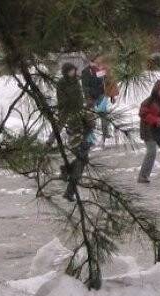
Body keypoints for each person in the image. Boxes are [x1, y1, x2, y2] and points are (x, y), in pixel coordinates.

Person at [55, 62, 95, 201]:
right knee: (81, 159)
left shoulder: (76, 82)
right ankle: (69, 191)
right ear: (66, 71)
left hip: (80, 119)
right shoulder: (61, 83)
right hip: (72, 120)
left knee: (83, 159)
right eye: (71, 70)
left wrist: (85, 108)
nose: (74, 72)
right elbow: (62, 102)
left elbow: (80, 98)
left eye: (74, 70)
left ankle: (66, 171)